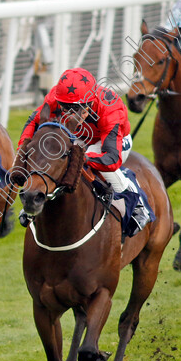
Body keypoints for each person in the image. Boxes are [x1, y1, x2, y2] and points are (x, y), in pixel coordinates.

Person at [17, 67, 150, 235]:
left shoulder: (110, 108)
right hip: (78, 137)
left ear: (90, 101)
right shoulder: (55, 97)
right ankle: (36, 200)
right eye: (64, 106)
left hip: (112, 142)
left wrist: (82, 158)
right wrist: (22, 151)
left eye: (76, 108)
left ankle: (135, 200)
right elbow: (33, 122)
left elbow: (111, 158)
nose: (68, 112)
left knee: (88, 165)